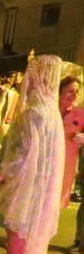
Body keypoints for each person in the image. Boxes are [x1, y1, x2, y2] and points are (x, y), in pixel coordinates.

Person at [0, 55, 65, 254]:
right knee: (22, 226)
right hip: (40, 181)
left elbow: (26, 151)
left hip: (28, 180)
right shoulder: (51, 111)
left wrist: (4, 172)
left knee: (16, 226)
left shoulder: (35, 112)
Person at [58, 76, 83, 208]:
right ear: (60, 91)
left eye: (77, 91)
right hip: (46, 161)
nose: (74, 95)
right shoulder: (50, 111)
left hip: (66, 164)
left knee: (55, 203)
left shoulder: (79, 113)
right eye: (70, 91)